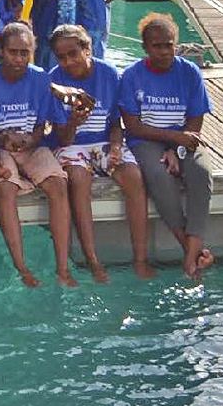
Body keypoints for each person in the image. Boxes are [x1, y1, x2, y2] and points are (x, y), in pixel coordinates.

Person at [0, 23, 79, 289]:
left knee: (58, 184)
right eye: (13, 52)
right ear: (1, 52)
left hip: (30, 146)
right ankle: (22, 267)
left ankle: (62, 267)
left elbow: (40, 128)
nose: (19, 59)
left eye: (25, 53)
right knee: (6, 188)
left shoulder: (40, 78)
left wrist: (30, 140)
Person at [49, 23, 155, 281]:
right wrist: (74, 121)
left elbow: (116, 124)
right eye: (61, 57)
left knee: (133, 176)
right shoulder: (54, 80)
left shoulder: (109, 74)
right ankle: (93, 260)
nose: (68, 62)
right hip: (71, 145)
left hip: (105, 141)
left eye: (73, 54)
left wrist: (117, 147)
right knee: (79, 179)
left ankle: (140, 258)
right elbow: (61, 138)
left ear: (88, 49)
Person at [118, 12, 214, 280]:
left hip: (182, 138)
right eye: (157, 46)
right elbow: (133, 127)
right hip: (146, 139)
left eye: (169, 44)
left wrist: (177, 148)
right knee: (159, 176)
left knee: (201, 172)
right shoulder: (132, 76)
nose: (163, 51)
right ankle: (193, 253)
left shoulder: (189, 72)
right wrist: (173, 141)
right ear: (145, 48)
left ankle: (192, 249)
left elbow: (195, 119)